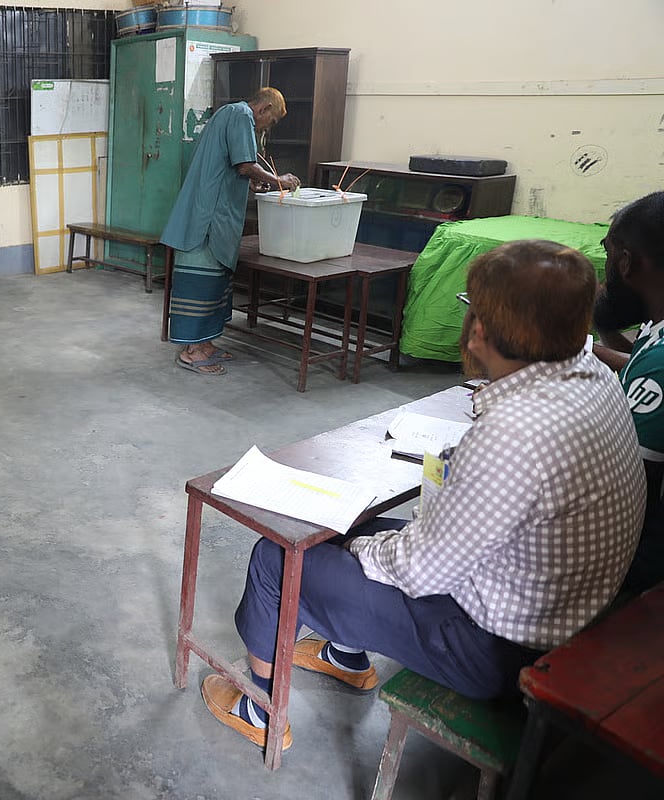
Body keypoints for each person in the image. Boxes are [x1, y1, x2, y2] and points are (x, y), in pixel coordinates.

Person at [202, 240, 645, 754]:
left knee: (280, 555)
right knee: (355, 530)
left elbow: (419, 571)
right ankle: (345, 656)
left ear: (478, 330)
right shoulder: (596, 377)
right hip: (563, 617)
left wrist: (356, 550)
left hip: (493, 650)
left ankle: (259, 705)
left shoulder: (512, 431)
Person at [160, 87, 299, 376]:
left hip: (218, 213)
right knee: (201, 282)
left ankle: (205, 342)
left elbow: (234, 167)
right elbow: (245, 165)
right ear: (263, 110)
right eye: (270, 122)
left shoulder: (232, 114)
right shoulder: (241, 115)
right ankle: (192, 351)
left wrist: (251, 182)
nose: (266, 128)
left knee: (217, 283)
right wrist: (278, 180)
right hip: (207, 217)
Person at [592, 190, 664, 594]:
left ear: (626, 262)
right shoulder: (656, 331)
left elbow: (620, 486)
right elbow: (639, 361)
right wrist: (603, 328)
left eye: (608, 253)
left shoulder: (661, 365)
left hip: (638, 563)